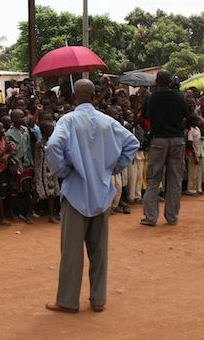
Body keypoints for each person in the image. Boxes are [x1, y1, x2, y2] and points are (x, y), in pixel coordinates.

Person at [45, 79, 138, 313]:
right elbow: (132, 143)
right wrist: (112, 168)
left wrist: (63, 170)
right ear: (94, 95)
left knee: (71, 252)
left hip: (76, 191)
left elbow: (53, 145)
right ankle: (98, 299)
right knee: (99, 250)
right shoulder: (108, 121)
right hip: (102, 191)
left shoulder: (68, 120)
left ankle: (67, 300)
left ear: (74, 96)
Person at [141, 70, 188, 227]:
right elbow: (185, 114)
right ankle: (172, 217)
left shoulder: (151, 98)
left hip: (159, 140)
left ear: (156, 81)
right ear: (170, 82)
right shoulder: (178, 96)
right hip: (176, 140)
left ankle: (151, 217)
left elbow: (146, 116)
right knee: (175, 179)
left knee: (154, 178)